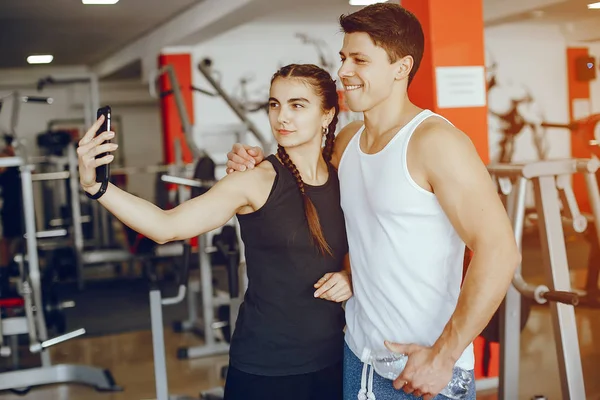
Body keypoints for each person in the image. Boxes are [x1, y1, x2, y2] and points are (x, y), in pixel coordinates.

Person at [225, 3, 521, 400]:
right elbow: (314, 203)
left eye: (360, 59)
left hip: (419, 368)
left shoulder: (435, 142)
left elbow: (499, 250)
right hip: (356, 356)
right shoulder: (346, 142)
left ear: (401, 67)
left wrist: (443, 356)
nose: (344, 71)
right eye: (344, 57)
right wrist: (250, 162)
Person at [77, 64, 352, 400]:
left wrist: (350, 274)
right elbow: (167, 227)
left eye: (297, 105)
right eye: (274, 104)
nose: (282, 117)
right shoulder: (254, 180)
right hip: (267, 367)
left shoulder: (345, 176)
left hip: (335, 358)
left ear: (327, 115)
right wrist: (97, 186)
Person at [0, 134, 23, 298]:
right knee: (6, 243)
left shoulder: (15, 167)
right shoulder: (7, 167)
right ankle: (5, 279)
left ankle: (8, 278)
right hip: (8, 208)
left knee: (15, 241)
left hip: (16, 209)